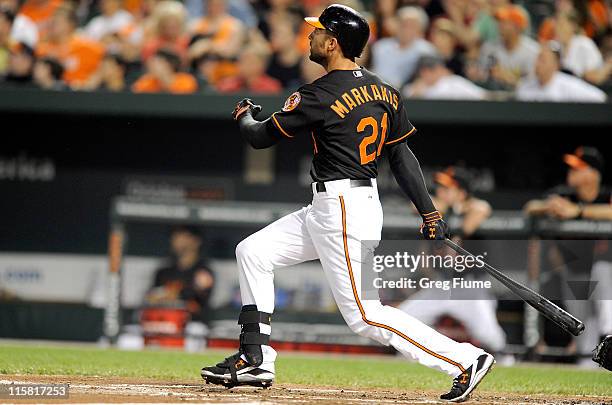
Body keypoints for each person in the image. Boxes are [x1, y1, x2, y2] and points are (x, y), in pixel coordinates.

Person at [200, 5, 495, 402]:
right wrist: (430, 211)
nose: (311, 37)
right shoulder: (384, 90)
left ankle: (464, 360)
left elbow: (259, 137)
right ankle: (256, 356)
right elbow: (402, 156)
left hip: (341, 207)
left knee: (364, 315)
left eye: (318, 32)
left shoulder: (318, 93)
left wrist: (244, 117)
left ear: (334, 43)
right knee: (253, 252)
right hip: (339, 205)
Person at [398, 166, 507, 355]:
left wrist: (458, 230)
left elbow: (482, 209)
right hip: (441, 286)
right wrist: (438, 208)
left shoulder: (474, 207)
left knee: (490, 337)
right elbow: (415, 206)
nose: (440, 192)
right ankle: (409, 359)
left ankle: (506, 362)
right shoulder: (440, 209)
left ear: (462, 193)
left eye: (448, 188)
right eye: (441, 187)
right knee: (403, 320)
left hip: (469, 288)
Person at [149, 226, 215, 324]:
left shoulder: (203, 272)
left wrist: (174, 295)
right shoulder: (163, 272)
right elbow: (152, 297)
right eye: (175, 236)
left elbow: (198, 299)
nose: (177, 240)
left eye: (183, 236)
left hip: (193, 324)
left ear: (196, 241)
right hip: (164, 321)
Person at [35, 6, 105, 86]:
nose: (53, 26)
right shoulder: (43, 48)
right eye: (52, 22)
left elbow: (105, 66)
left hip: (80, 92)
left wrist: (90, 83)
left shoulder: (88, 46)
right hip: (51, 92)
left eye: (57, 22)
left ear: (70, 24)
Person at [516, 41, 606, 103]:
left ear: (556, 64)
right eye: (538, 59)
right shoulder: (525, 86)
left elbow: (600, 98)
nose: (537, 64)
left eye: (543, 60)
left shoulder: (569, 85)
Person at [370, 6, 435, 88]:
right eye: (404, 24)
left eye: (412, 25)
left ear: (420, 29)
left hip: (408, 96)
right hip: (377, 91)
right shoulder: (380, 46)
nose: (406, 29)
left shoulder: (426, 50)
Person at [479, 5, 539, 89]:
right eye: (499, 22)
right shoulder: (489, 47)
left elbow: (535, 86)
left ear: (517, 27)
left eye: (504, 23)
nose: (500, 26)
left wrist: (510, 79)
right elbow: (480, 78)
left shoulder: (532, 51)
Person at [405, 55, 487, 100]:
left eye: (431, 70)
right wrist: (415, 95)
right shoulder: (415, 87)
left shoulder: (452, 82)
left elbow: (482, 95)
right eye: (424, 71)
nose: (426, 74)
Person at [215, 45, 282, 94]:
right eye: (241, 61)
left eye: (249, 62)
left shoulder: (271, 87)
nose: (243, 65)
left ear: (262, 65)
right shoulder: (227, 84)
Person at [132, 48, 197, 93]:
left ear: (170, 64)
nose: (152, 66)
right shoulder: (147, 81)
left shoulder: (186, 80)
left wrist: (164, 78)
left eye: (157, 62)